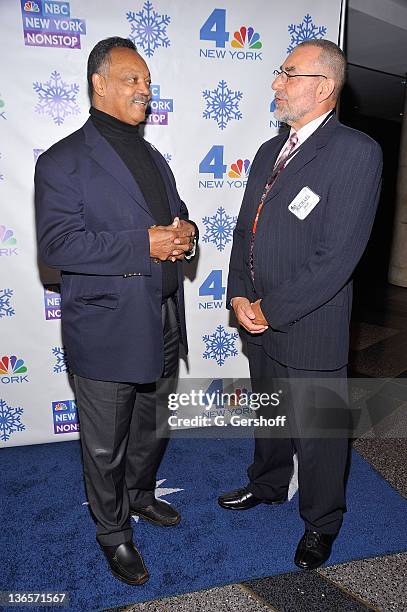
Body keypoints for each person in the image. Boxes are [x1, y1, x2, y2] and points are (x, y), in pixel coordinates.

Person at [35, 37, 197, 585]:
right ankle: (113, 533)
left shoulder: (152, 155)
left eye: (147, 81)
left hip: (164, 315)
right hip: (107, 323)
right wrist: (143, 245)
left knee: (152, 425)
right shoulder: (62, 160)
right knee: (105, 444)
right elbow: (58, 246)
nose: (144, 90)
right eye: (132, 79)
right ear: (98, 83)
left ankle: (141, 495)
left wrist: (186, 232)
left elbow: (172, 216)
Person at [218, 39, 382, 569]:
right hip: (257, 316)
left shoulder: (357, 152)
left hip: (310, 322)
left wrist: (272, 308)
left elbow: (338, 256)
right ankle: (266, 485)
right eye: (278, 73)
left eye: (287, 74)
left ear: (323, 87)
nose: (276, 84)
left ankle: (321, 522)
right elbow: (247, 230)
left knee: (319, 434)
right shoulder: (270, 150)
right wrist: (239, 293)